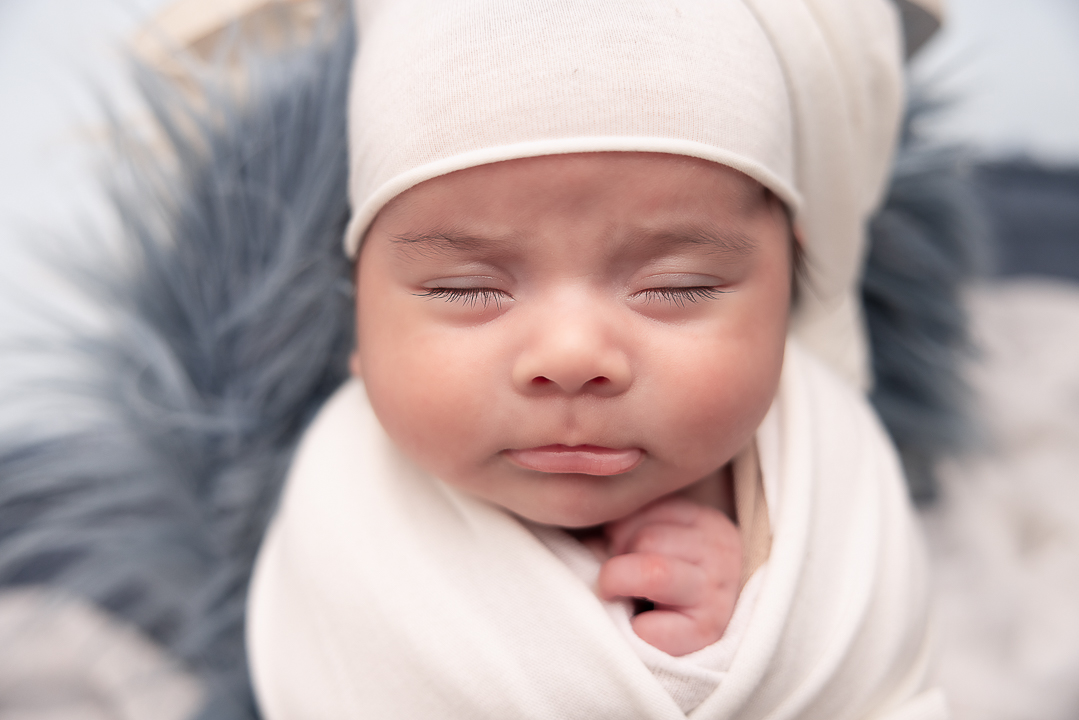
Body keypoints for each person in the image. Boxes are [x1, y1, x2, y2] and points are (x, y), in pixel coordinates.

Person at [247, 0, 948, 717]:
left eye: (676, 288)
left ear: (783, 298)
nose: (573, 355)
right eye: (467, 290)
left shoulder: (828, 465)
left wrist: (732, 623)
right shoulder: (348, 511)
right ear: (360, 318)